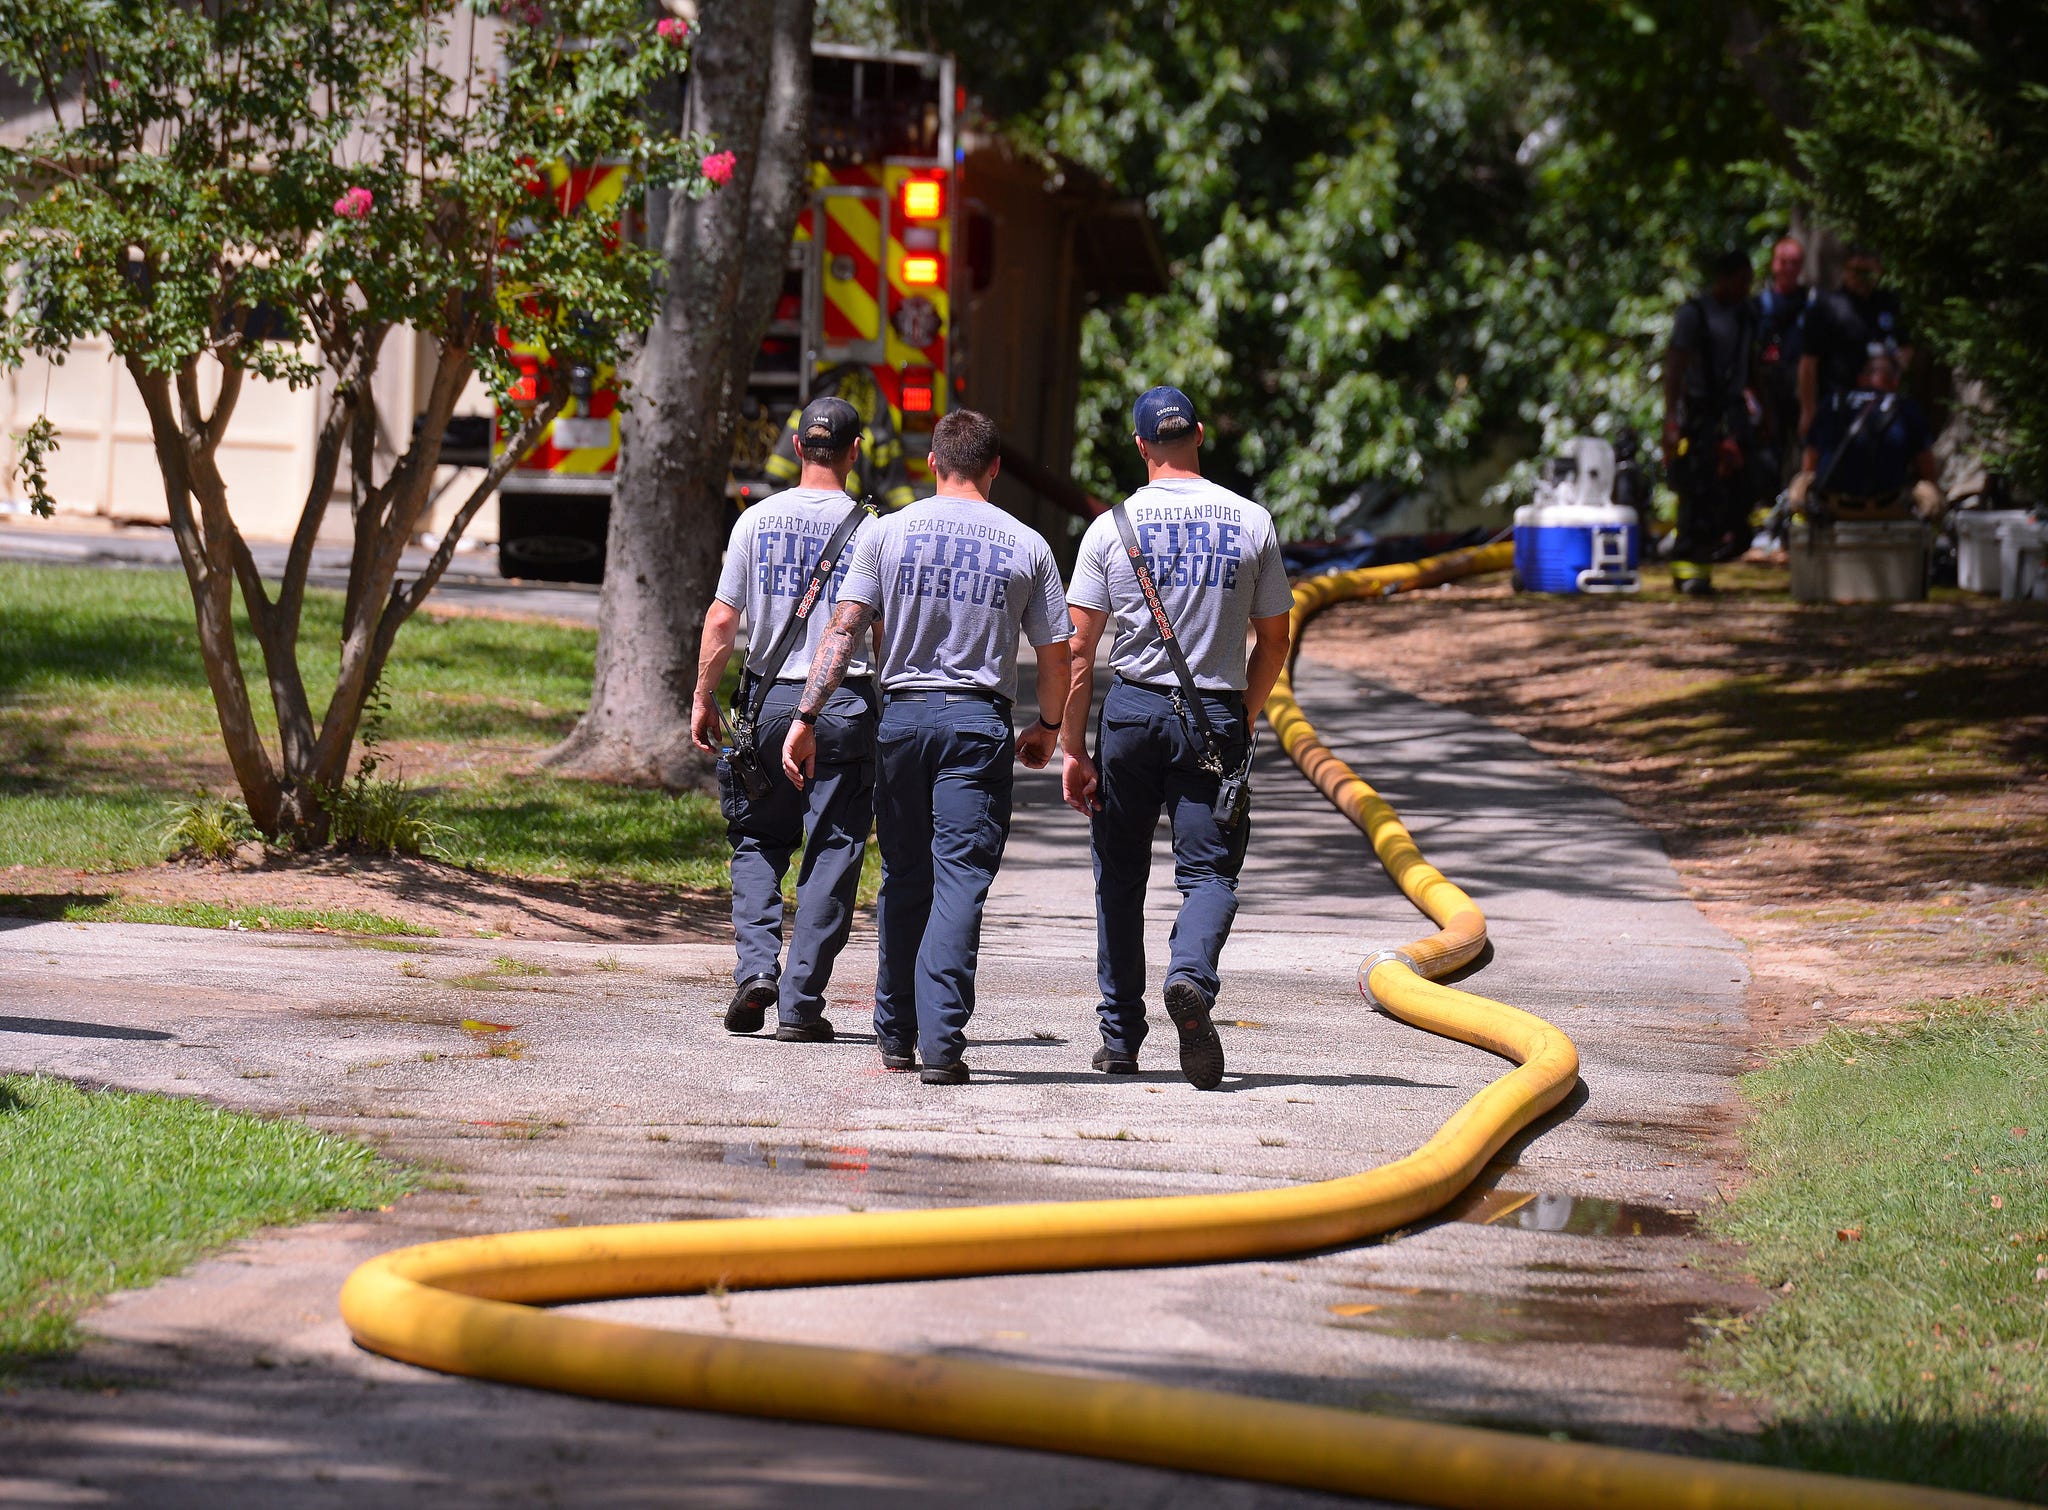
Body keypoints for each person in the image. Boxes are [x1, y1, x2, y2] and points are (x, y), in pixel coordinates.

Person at [782, 408, 1072, 1085]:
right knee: (960, 881)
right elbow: (1059, 654)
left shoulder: (886, 533)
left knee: (907, 878)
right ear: (994, 467)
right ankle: (941, 1043)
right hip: (976, 726)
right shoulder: (1026, 544)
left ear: (934, 463)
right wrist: (1048, 727)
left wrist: (804, 716)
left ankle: (895, 1035)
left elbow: (844, 629)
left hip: (903, 722)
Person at [1059, 387, 1293, 1089]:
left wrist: (1072, 747)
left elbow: (1078, 648)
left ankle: (1121, 1039)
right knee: (1210, 875)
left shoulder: (1110, 528)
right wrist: (1243, 717)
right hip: (1213, 716)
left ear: (1139, 447)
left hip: (1130, 715)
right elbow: (1275, 639)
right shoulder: (1252, 521)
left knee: (1119, 880)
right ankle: (1189, 975)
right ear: (1197, 435)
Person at [691, 396, 879, 1043]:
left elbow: (722, 619)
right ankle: (801, 1004)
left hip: (766, 704)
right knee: (832, 851)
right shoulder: (870, 529)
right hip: (844, 706)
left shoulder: (755, 521)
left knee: (757, 841)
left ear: (797, 448)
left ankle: (754, 972)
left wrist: (702, 695)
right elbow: (877, 630)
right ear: (855, 452)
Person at [1661, 249, 1760, 596]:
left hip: (1733, 411)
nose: (1746, 288)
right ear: (1725, 278)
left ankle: (1720, 550)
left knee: (1741, 488)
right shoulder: (1695, 314)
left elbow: (1754, 364)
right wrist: (1671, 419)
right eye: (1742, 281)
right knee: (1697, 491)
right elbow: (1674, 367)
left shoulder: (1748, 314)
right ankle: (1690, 570)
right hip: (1699, 412)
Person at [1791, 351, 1941, 521]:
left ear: (1861, 379)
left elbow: (1810, 464)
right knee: (1928, 490)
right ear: (1895, 381)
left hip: (1832, 508)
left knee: (1802, 481)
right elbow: (1928, 471)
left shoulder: (1830, 403)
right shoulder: (1907, 407)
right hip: (1888, 507)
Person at [1798, 245, 1913, 446]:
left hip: (1882, 406)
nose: (1862, 278)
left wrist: (1894, 369)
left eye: (1867, 272)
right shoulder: (1827, 307)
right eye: (1856, 271)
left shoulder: (1889, 303)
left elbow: (1906, 347)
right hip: (1837, 405)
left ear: (1878, 271)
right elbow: (1808, 363)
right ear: (1845, 271)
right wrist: (1809, 411)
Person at [1752, 235, 1812, 485]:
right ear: (1774, 264)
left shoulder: (1813, 303)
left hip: (1803, 390)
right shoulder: (1758, 305)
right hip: (1768, 391)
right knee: (1769, 452)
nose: (1788, 268)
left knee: (1807, 447)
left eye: (1794, 262)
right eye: (1783, 261)